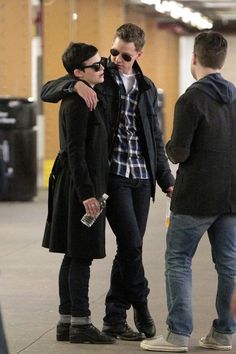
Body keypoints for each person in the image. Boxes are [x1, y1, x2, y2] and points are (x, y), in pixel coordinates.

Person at [41, 23, 175, 341]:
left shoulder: (147, 87)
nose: (115, 59)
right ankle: (140, 305)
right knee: (128, 244)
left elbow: (154, 138)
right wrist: (72, 86)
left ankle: (115, 316)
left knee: (131, 249)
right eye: (112, 52)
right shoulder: (100, 79)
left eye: (124, 55)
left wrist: (165, 178)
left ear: (138, 54)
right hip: (113, 176)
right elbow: (49, 88)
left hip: (141, 176)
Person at [141, 31, 236, 352]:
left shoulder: (191, 99)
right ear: (221, 61)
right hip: (232, 197)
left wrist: (168, 144)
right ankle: (224, 333)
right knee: (229, 265)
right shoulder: (235, 96)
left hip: (195, 196)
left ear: (193, 59)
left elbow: (179, 152)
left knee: (179, 260)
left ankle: (178, 335)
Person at [42, 42, 115, 345]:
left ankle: (66, 321)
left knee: (73, 254)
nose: (102, 69)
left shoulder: (88, 89)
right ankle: (81, 324)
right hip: (79, 188)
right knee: (81, 255)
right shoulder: (77, 102)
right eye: (96, 66)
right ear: (77, 72)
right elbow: (75, 151)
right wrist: (87, 194)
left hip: (83, 184)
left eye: (102, 64)